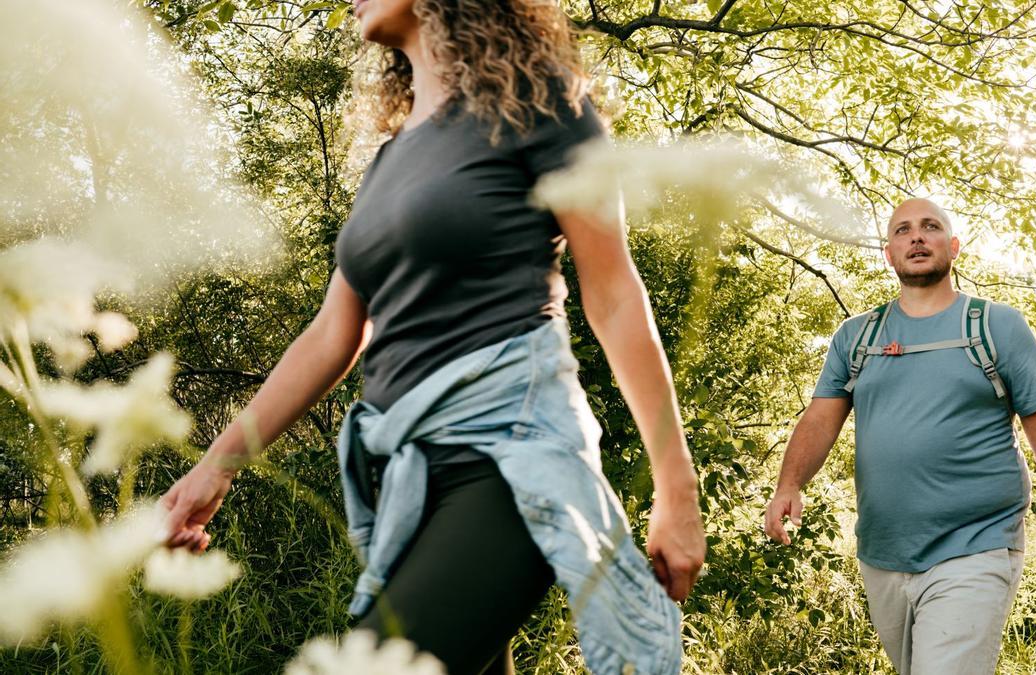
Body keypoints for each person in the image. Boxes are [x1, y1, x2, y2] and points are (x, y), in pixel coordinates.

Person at [158, 1, 705, 673]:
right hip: (409, 485)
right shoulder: (391, 158)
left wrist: (676, 492)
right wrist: (216, 464)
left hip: (507, 460)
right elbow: (335, 332)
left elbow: (615, 295)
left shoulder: (539, 102)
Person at [764, 198, 1036, 674]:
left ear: (953, 246)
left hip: (976, 545)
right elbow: (820, 418)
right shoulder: (856, 337)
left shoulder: (996, 326)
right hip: (883, 553)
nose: (916, 237)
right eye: (903, 230)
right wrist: (788, 485)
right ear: (888, 253)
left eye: (930, 226)